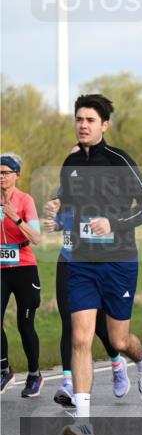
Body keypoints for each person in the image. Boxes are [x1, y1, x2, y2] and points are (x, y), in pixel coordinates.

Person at [49, 95, 142, 435]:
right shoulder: (71, 163)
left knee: (119, 340)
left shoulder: (119, 160)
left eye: (90, 120)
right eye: (79, 119)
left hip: (118, 262)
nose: (82, 125)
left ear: (104, 125)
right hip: (82, 263)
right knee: (81, 338)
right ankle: (83, 421)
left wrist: (114, 222)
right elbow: (71, 205)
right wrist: (58, 210)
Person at [43, 148, 123, 407]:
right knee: (69, 322)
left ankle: (117, 363)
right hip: (68, 260)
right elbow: (61, 216)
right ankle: (69, 382)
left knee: (100, 325)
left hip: (97, 262)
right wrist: (55, 220)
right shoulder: (65, 188)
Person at [0, 154, 43, 396]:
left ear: (17, 175)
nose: (1, 177)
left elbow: (36, 238)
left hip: (24, 268)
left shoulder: (25, 200)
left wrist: (15, 217)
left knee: (25, 325)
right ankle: (4, 370)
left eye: (6, 172)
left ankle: (35, 374)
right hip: (1, 270)